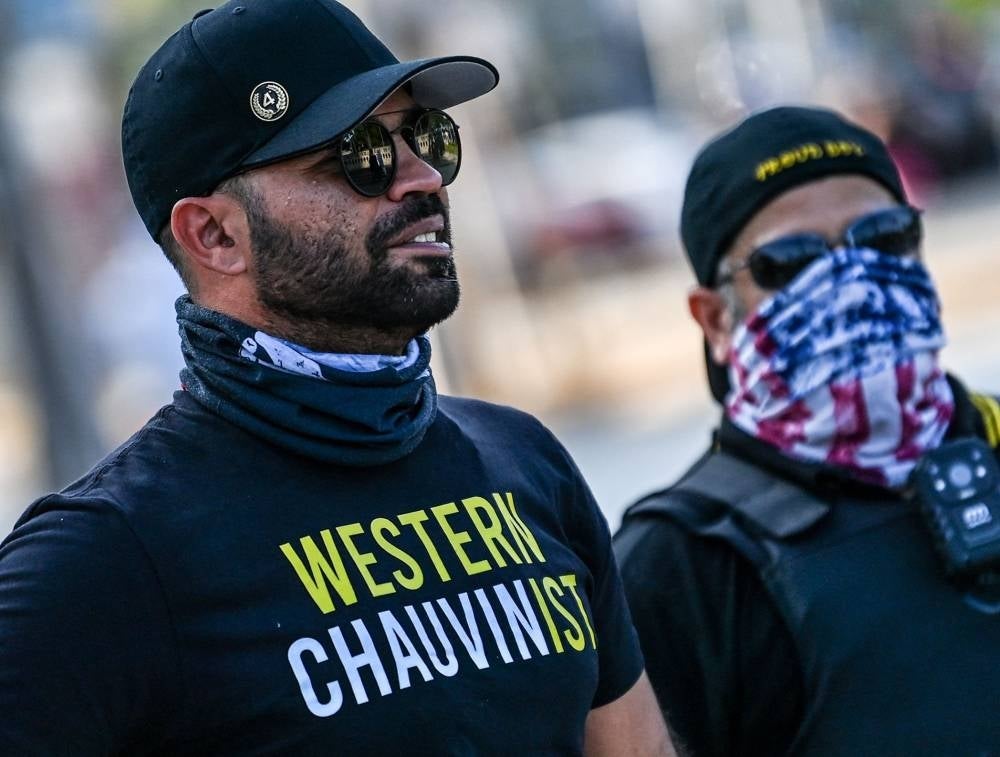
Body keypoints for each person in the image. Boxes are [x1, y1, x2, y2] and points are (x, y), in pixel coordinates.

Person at [0, 2, 675, 754]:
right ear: (216, 234)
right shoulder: (106, 558)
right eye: (357, 155)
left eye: (423, 136)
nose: (420, 178)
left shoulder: (525, 460)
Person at [614, 105, 1000, 756]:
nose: (853, 281)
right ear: (713, 319)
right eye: (789, 262)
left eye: (885, 238)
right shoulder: (676, 568)